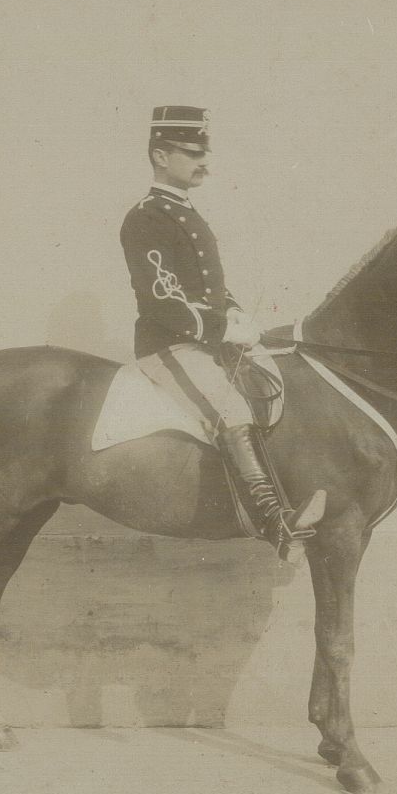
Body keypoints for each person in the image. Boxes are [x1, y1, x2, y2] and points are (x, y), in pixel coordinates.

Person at [119, 105, 325, 554]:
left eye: (203, 153)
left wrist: (236, 315)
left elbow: (209, 288)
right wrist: (219, 329)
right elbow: (161, 300)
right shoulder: (145, 217)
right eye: (192, 153)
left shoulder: (186, 212)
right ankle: (274, 521)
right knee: (231, 407)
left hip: (202, 341)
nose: (203, 162)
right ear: (160, 155)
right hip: (170, 346)